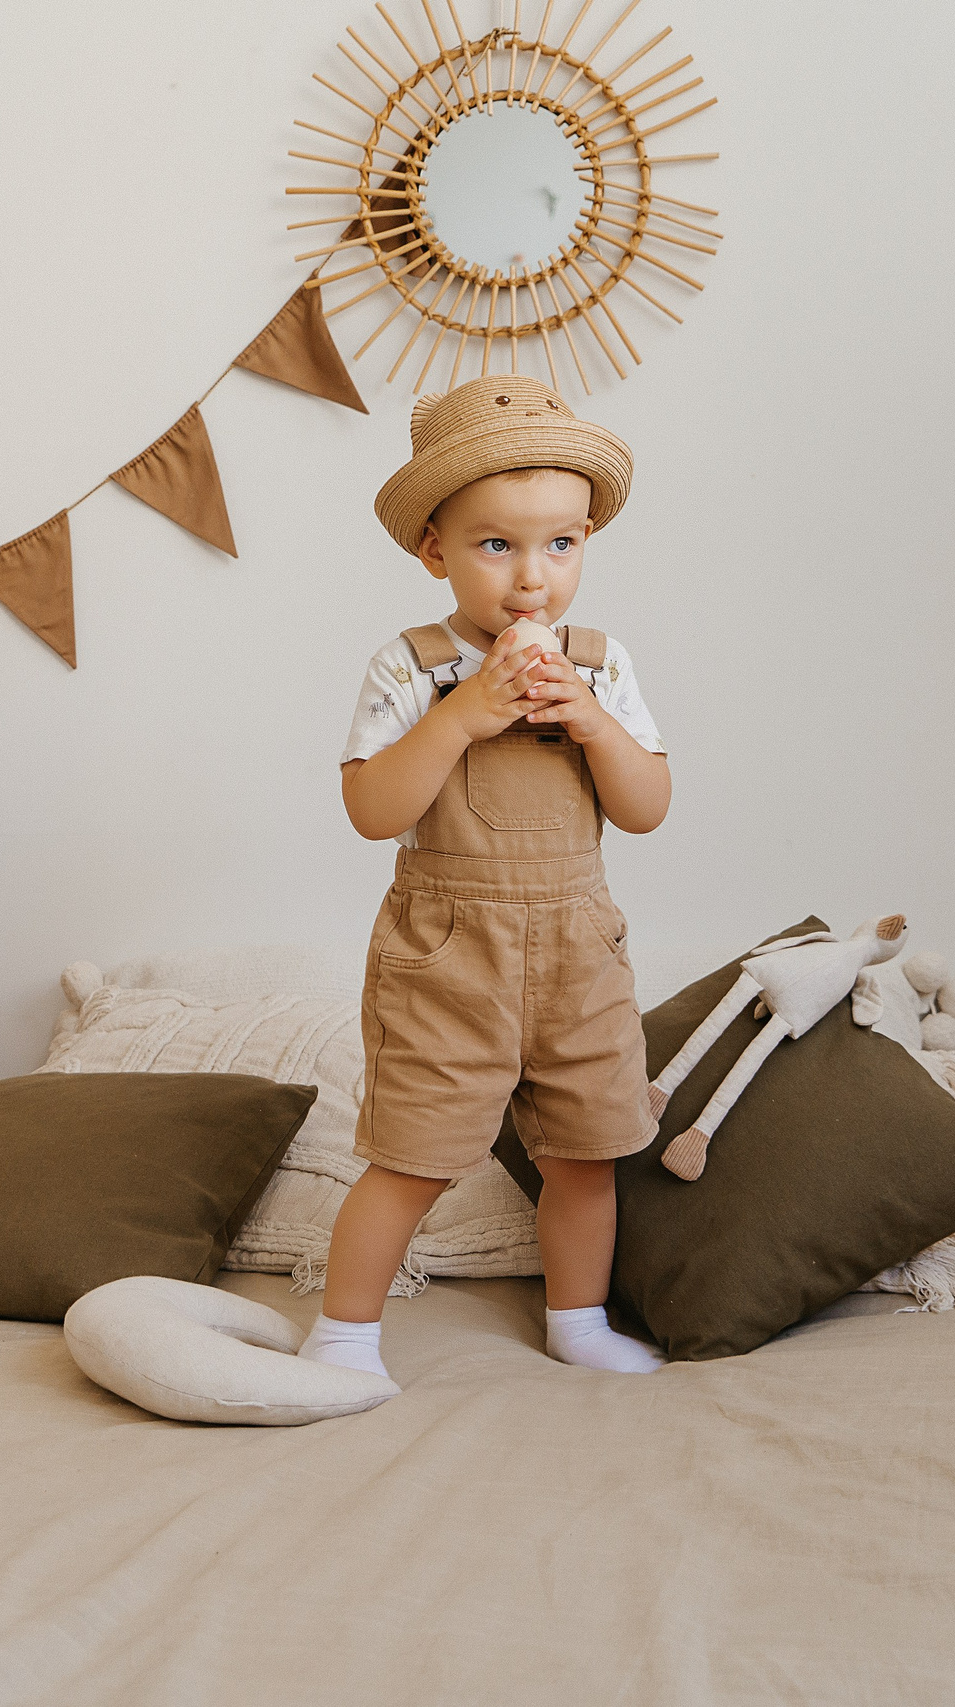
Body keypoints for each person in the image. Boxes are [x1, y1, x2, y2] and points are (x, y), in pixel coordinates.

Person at [303, 375, 671, 1380]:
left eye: (561, 544)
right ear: (434, 549)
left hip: (576, 949)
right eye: (495, 544)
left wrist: (590, 723)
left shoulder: (600, 666)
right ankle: (341, 1337)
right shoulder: (410, 667)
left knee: (586, 1151)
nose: (531, 581)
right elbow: (373, 810)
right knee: (410, 1154)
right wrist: (461, 716)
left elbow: (645, 807)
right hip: (448, 950)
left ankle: (578, 1321)